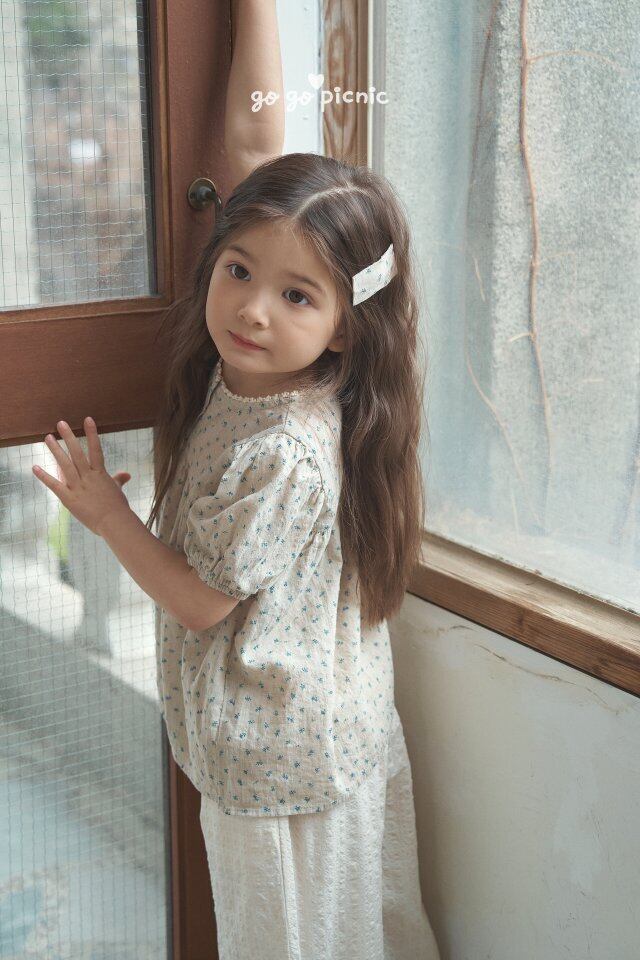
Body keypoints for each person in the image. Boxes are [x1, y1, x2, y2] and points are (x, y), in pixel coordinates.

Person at [32, 2, 441, 958]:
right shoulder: (261, 373)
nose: (253, 309)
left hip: (283, 760)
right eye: (238, 271)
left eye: (296, 295)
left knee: (286, 941)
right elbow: (254, 140)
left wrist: (107, 513)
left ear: (345, 326)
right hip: (302, 735)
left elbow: (201, 600)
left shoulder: (286, 448)